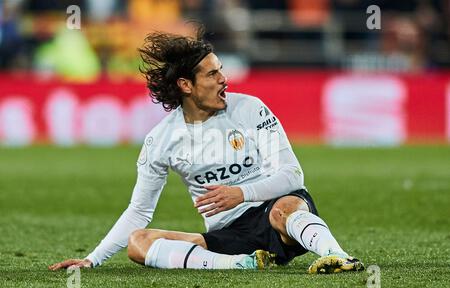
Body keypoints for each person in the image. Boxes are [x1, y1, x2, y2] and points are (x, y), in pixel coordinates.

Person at [49, 25, 364, 274]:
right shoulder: (161, 141)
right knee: (139, 244)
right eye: (213, 74)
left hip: (274, 211)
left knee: (287, 207)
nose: (224, 79)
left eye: (221, 70)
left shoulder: (250, 108)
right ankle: (245, 263)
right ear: (187, 85)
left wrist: (241, 193)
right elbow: (140, 211)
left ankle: (337, 256)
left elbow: (293, 175)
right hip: (230, 235)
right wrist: (93, 259)